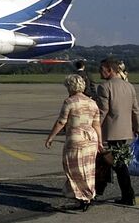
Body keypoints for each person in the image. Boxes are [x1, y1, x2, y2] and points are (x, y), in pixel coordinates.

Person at [45, 74, 102, 211]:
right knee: (88, 169)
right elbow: (97, 124)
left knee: (73, 168)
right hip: (91, 138)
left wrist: (51, 137)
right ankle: (88, 194)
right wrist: (100, 141)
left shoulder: (70, 102)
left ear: (70, 87)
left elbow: (61, 121)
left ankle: (82, 196)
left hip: (76, 138)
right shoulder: (92, 102)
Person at [95, 57, 139, 206]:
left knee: (117, 164)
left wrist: (93, 127)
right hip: (125, 131)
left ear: (110, 70)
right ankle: (100, 190)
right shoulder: (129, 87)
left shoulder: (104, 87)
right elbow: (135, 110)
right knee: (112, 162)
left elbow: (103, 111)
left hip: (112, 132)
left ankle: (127, 195)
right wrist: (136, 127)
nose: (99, 72)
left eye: (101, 69)